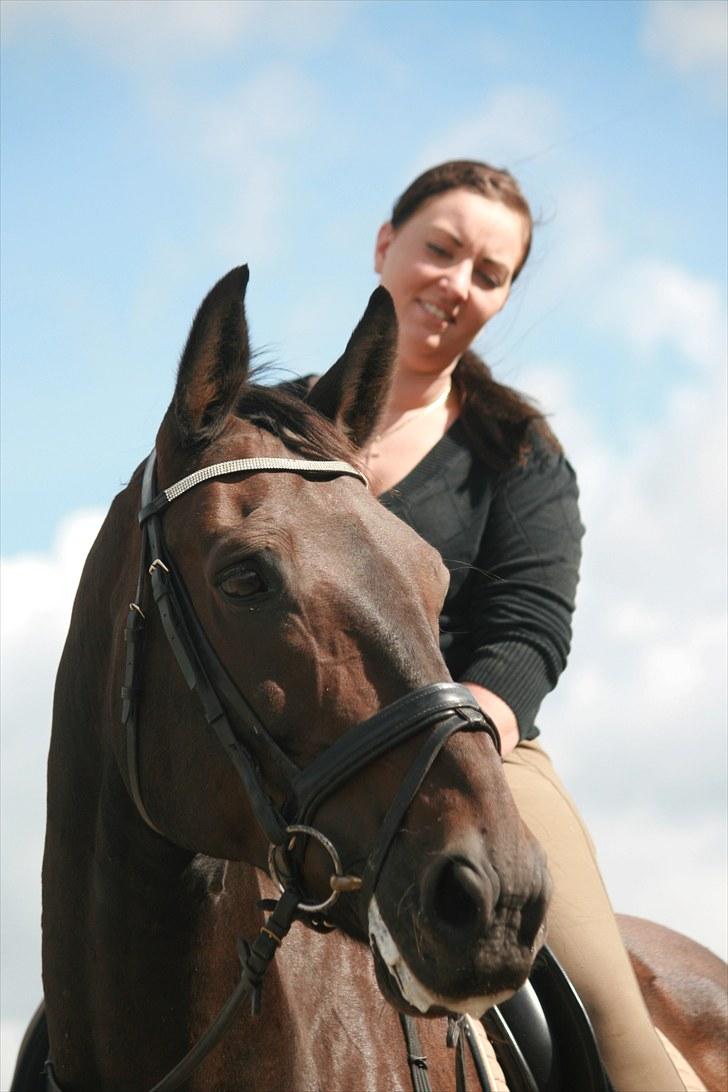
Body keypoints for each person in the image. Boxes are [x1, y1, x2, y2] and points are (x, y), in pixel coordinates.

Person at [358, 160, 686, 1092]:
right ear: (388, 245)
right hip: (282, 758)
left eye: (489, 273)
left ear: (502, 298)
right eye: (443, 250)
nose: (457, 284)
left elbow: (529, 626)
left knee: (607, 1012)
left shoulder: (521, 454)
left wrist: (468, 722)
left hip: (474, 757)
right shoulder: (277, 431)